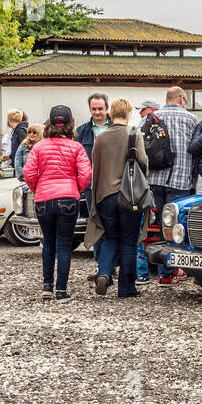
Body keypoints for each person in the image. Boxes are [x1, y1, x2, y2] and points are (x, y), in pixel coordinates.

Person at [24, 106, 92, 303]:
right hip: (68, 198)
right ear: (70, 124)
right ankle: (61, 291)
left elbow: (29, 173)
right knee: (64, 245)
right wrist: (76, 188)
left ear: (50, 124)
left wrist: (38, 188)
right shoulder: (76, 147)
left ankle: (47, 287)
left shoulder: (38, 147)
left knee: (48, 242)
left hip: (44, 198)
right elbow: (86, 174)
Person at [86, 98, 149, 299]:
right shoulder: (134, 133)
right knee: (129, 242)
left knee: (111, 237)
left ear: (110, 114)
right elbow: (143, 161)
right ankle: (126, 288)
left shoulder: (101, 138)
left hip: (105, 196)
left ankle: (103, 273)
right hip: (128, 196)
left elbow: (96, 168)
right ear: (129, 113)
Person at [147, 87, 199, 286]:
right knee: (176, 227)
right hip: (180, 180)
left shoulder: (151, 118)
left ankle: (163, 273)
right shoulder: (191, 120)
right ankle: (170, 271)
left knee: (161, 224)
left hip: (154, 179)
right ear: (181, 99)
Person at [77, 94, 113, 284]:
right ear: (90, 109)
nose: (97, 112)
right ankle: (102, 267)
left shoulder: (116, 128)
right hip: (91, 186)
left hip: (113, 185)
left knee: (114, 225)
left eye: (100, 108)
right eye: (94, 109)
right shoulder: (82, 132)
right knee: (96, 225)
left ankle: (113, 266)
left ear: (107, 108)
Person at [134, 98, 164, 287]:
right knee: (164, 227)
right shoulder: (160, 125)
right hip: (171, 180)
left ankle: (141, 273)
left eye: (142, 109)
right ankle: (166, 272)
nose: (140, 113)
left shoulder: (144, 125)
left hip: (148, 181)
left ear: (152, 109)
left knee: (141, 228)